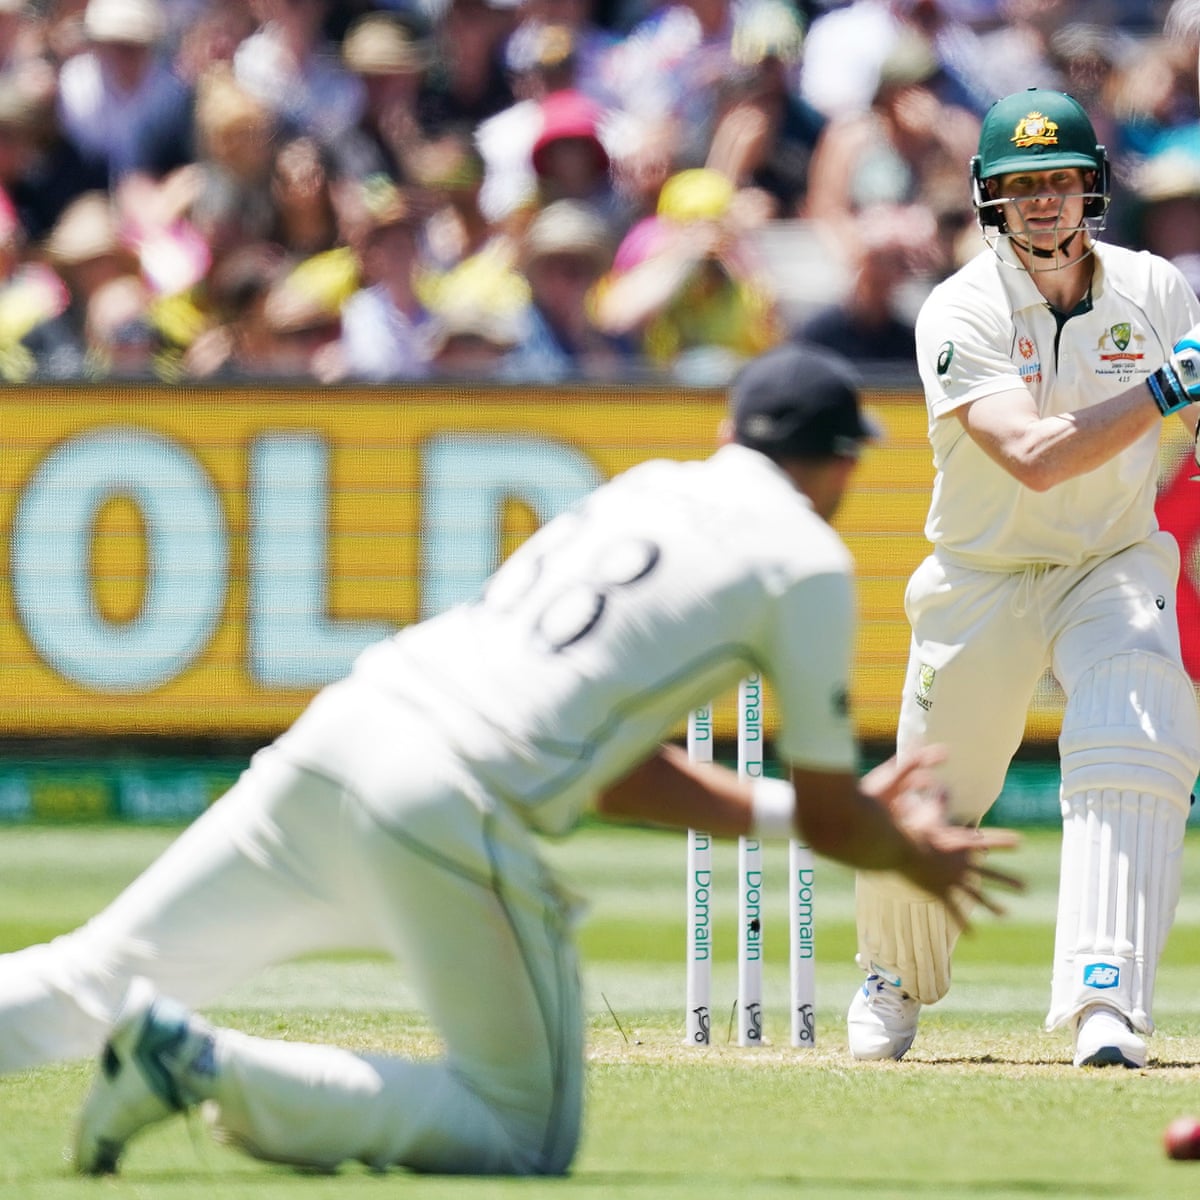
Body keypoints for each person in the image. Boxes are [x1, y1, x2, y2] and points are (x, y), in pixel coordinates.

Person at [0, 342, 1020, 1177]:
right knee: (520, 1131)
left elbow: (611, 765)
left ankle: (174, 1054)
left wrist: (801, 818)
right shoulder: (804, 561)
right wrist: (902, 852)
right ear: (842, 463)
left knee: (87, 974)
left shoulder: (649, 489)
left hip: (348, 726)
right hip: (449, 794)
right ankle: (198, 1064)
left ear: (728, 435)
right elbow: (842, 818)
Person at [845, 86, 1200, 1072]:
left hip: (1111, 561)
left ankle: (1106, 1000)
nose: (1042, 203)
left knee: (1138, 729)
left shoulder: (1157, 290)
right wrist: (1172, 385)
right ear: (989, 201)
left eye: (1059, 182)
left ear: (1092, 190)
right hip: (984, 573)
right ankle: (894, 974)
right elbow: (1037, 457)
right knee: (930, 800)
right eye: (1020, 187)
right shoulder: (959, 310)